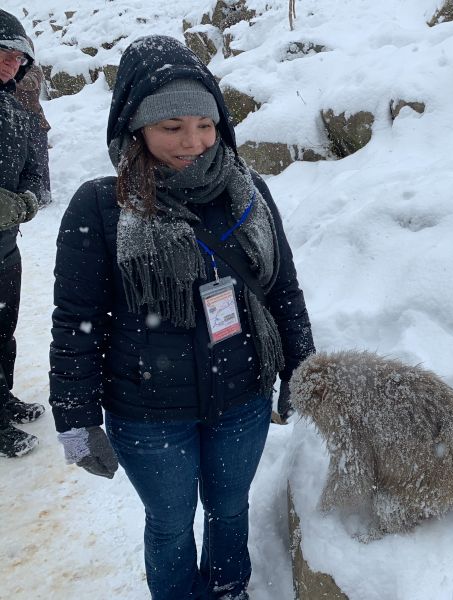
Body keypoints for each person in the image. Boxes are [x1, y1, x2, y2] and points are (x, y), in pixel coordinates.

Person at [49, 35, 315, 599]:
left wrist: (301, 367)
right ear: (135, 127)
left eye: (205, 124)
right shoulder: (100, 206)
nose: (192, 142)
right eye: (171, 128)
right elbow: (77, 320)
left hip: (242, 396)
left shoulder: (248, 193)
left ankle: (229, 589)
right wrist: (74, 414)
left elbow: (282, 289)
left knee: (228, 509)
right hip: (147, 414)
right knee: (170, 525)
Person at [0, 9, 44, 459]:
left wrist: (26, 202)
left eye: (17, 58)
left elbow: (34, 172)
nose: (11, 64)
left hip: (5, 246)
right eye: (3, 54)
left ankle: (2, 396)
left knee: (3, 330)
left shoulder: (17, 111)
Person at [14, 35, 51, 206]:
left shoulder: (35, 70)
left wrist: (12, 74)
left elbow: (30, 84)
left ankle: (43, 195)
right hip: (17, 121)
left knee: (40, 161)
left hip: (35, 121)